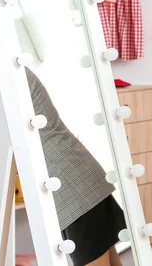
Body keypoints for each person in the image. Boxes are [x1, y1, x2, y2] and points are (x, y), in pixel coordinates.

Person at [26, 67, 125, 266]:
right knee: (110, 260)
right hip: (80, 177)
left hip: (71, 187)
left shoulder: (6, 71)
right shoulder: (11, 70)